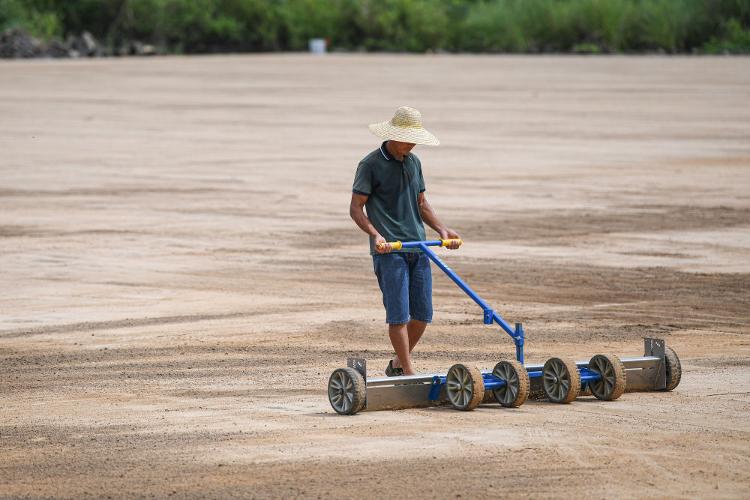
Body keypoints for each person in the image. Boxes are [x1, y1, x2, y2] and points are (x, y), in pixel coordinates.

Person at [349, 106, 461, 377]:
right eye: (407, 140)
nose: (411, 145)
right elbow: (356, 208)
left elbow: (421, 203)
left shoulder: (413, 162)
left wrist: (442, 230)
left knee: (422, 314)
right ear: (393, 135)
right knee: (398, 315)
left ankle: (398, 364)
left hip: (419, 248)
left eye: (414, 140)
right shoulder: (370, 164)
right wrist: (376, 235)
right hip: (390, 251)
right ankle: (408, 371)